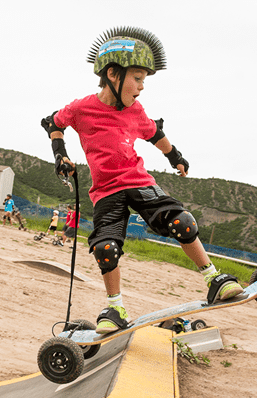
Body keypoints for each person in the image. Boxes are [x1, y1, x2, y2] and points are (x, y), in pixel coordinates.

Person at [42, 26, 244, 333]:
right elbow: (52, 122)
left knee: (182, 222)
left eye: (143, 80)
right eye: (137, 78)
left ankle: (214, 278)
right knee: (105, 248)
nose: (141, 87)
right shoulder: (82, 108)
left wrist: (174, 156)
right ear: (113, 74)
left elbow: (154, 133)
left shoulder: (135, 110)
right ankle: (115, 308)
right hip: (106, 192)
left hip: (139, 182)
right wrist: (60, 155)